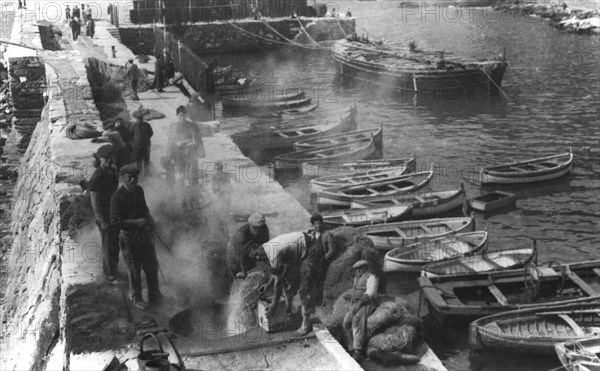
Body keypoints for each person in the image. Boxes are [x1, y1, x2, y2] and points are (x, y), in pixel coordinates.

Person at [110, 163, 161, 310]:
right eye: (129, 177)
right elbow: (115, 221)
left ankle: (155, 295)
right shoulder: (117, 197)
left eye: (136, 177)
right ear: (122, 178)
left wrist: (150, 220)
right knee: (134, 270)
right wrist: (136, 222)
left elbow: (144, 208)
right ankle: (136, 298)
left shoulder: (139, 190)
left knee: (152, 266)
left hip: (144, 235)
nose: (133, 180)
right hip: (128, 238)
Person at [257, 231, 319, 337]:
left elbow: (278, 281)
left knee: (304, 288)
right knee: (289, 282)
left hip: (310, 248)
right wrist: (267, 285)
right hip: (297, 249)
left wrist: (274, 304)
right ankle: (288, 313)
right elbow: (277, 272)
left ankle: (306, 324)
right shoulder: (266, 248)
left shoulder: (272, 254)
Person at [88, 144, 120, 284]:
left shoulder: (112, 171)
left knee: (115, 243)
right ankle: (108, 274)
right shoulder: (98, 176)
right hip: (105, 216)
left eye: (111, 158)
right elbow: (94, 201)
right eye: (106, 158)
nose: (109, 161)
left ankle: (114, 269)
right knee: (108, 245)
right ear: (100, 159)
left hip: (114, 214)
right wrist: (101, 220)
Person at [343, 260, 379, 362]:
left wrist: (359, 304)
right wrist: (352, 304)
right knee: (346, 322)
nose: (358, 271)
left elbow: (370, 293)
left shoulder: (371, 278)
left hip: (367, 303)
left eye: (360, 268)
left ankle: (358, 351)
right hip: (356, 304)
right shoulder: (357, 279)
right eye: (356, 269)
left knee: (357, 320)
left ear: (365, 268)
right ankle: (350, 347)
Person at [164, 106, 202, 188]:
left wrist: (184, 142)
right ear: (177, 116)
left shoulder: (193, 126)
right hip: (178, 154)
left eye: (184, 115)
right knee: (179, 176)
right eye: (180, 115)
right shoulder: (173, 126)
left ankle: (194, 194)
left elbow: (197, 140)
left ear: (186, 115)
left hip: (190, 153)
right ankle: (181, 194)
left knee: (192, 176)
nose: (182, 117)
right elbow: (170, 142)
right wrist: (168, 156)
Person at [227, 213, 270, 280]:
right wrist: (244, 272)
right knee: (237, 272)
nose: (258, 230)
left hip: (250, 247)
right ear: (250, 225)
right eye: (255, 228)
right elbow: (241, 255)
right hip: (235, 250)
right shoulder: (241, 234)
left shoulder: (265, 229)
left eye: (260, 227)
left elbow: (265, 245)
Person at [308, 213, 335, 306]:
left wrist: (324, 258)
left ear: (322, 223)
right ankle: (313, 299)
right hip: (313, 261)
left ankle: (320, 300)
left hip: (323, 261)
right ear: (313, 225)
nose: (318, 225)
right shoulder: (312, 234)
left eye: (319, 223)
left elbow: (332, 250)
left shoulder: (327, 234)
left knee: (320, 280)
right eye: (315, 224)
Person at [131, 110, 153, 178]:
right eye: (138, 119)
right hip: (137, 148)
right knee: (138, 163)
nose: (139, 120)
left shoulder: (147, 125)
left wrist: (145, 139)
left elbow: (151, 133)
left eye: (141, 119)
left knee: (146, 162)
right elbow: (131, 135)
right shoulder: (134, 125)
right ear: (136, 119)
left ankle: (147, 176)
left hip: (146, 147)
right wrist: (135, 142)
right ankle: (140, 177)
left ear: (143, 119)